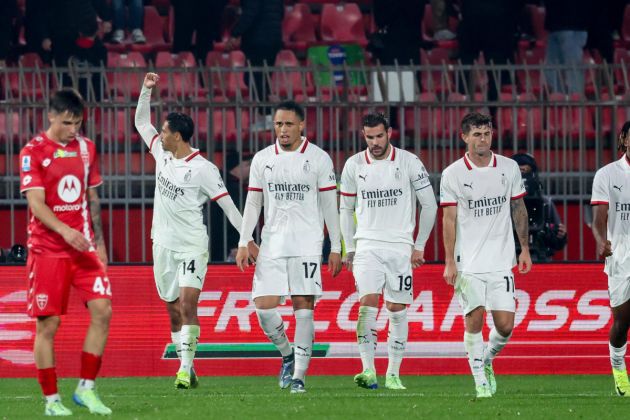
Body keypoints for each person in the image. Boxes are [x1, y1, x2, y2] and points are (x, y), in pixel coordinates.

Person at [134, 72, 258, 389]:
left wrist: (247, 239)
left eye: (165, 131)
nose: (160, 134)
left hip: (191, 246)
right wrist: (146, 91)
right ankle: (186, 366)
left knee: (188, 305)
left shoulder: (204, 169)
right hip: (162, 244)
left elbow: (229, 207)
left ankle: (183, 370)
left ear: (178, 136)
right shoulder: (161, 154)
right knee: (173, 311)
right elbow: (140, 124)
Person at [235, 100, 342, 394]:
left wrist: (336, 245)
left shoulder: (319, 159)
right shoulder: (262, 158)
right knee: (263, 307)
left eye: (289, 124)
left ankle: (299, 377)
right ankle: (287, 354)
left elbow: (330, 205)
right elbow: (254, 202)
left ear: (301, 125)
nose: (283, 130)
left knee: (303, 309)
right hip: (272, 243)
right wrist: (245, 241)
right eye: (278, 124)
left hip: (307, 243)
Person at [19, 88, 112, 416]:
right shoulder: (32, 152)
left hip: (83, 248)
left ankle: (86, 389)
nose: (75, 130)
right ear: (52, 116)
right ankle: (51, 400)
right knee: (49, 325)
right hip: (48, 250)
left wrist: (99, 242)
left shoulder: (87, 148)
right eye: (69, 123)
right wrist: (64, 230)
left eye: (79, 123)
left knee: (102, 311)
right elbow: (35, 203)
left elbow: (92, 197)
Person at [339, 113, 437, 390]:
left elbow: (429, 205)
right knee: (367, 304)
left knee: (396, 308)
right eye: (369, 137)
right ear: (363, 135)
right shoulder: (354, 164)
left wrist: (419, 246)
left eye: (379, 136)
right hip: (367, 245)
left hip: (399, 246)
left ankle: (393, 373)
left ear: (389, 132)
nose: (375, 142)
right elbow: (345, 209)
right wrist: (350, 247)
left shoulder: (408, 161)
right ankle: (368, 370)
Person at [440, 112, 532, 398]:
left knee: (505, 327)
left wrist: (524, 248)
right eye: (476, 134)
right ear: (464, 137)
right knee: (475, 319)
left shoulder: (509, 167)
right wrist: (449, 261)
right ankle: (479, 379)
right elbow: (449, 219)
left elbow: (518, 208)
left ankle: (487, 358)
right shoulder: (453, 173)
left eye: (487, 133)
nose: (483, 139)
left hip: (501, 260)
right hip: (468, 262)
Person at [591, 121, 630, 397]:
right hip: (621, 256)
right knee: (623, 322)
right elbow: (599, 217)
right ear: (624, 140)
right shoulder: (607, 174)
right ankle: (618, 366)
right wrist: (601, 241)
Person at [511, 153, 567, 262]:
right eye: (519, 172)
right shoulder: (500, 203)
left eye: (525, 171)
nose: (522, 177)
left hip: (540, 257)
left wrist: (561, 235)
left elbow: (558, 242)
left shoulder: (546, 203)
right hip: (508, 261)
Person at [224, 0, 284, 103]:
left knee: (253, 80)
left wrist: (235, 34)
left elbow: (249, 14)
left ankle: (264, 112)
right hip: (274, 40)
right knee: (264, 80)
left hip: (257, 41)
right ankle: (267, 112)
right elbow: (281, 13)